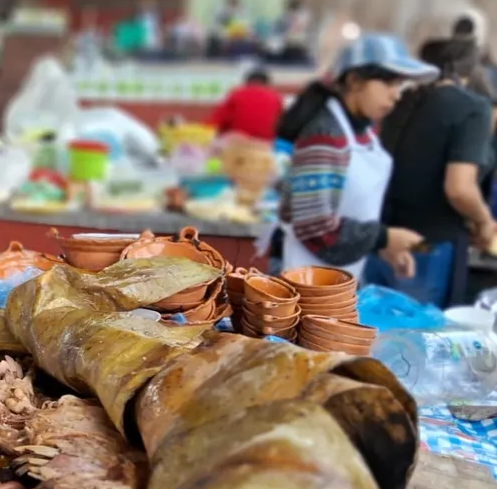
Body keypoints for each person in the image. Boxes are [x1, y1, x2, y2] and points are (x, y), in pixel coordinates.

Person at [277, 33, 437, 279]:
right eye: (388, 83)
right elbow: (314, 226)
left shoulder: (364, 131)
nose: (396, 95)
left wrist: (383, 247)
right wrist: (384, 237)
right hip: (308, 286)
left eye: (399, 85)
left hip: (339, 278)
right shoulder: (325, 137)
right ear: (353, 80)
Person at [368, 37, 496, 306]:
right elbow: (459, 189)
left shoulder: (398, 100)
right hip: (431, 247)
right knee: (418, 337)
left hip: (383, 240)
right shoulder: (473, 108)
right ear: (470, 71)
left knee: (374, 333)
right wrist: (484, 221)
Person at [209, 67, 284, 142]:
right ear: (267, 83)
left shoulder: (237, 94)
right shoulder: (276, 97)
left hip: (238, 142)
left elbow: (217, 121)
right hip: (266, 144)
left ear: (247, 82)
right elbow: (279, 123)